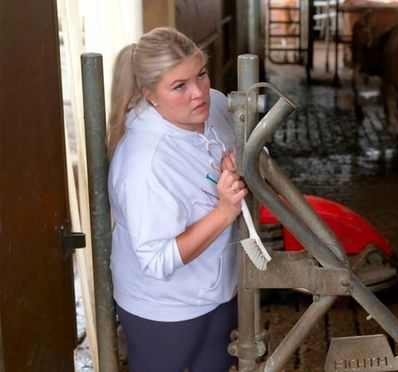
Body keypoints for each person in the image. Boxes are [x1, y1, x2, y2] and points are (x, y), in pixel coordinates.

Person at [107, 27, 246, 371]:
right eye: (179, 86)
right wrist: (225, 211)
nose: (198, 92)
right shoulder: (145, 166)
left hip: (218, 289)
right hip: (164, 313)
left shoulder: (212, 104)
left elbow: (253, 145)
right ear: (149, 93)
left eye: (200, 74)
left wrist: (242, 163)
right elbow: (156, 260)